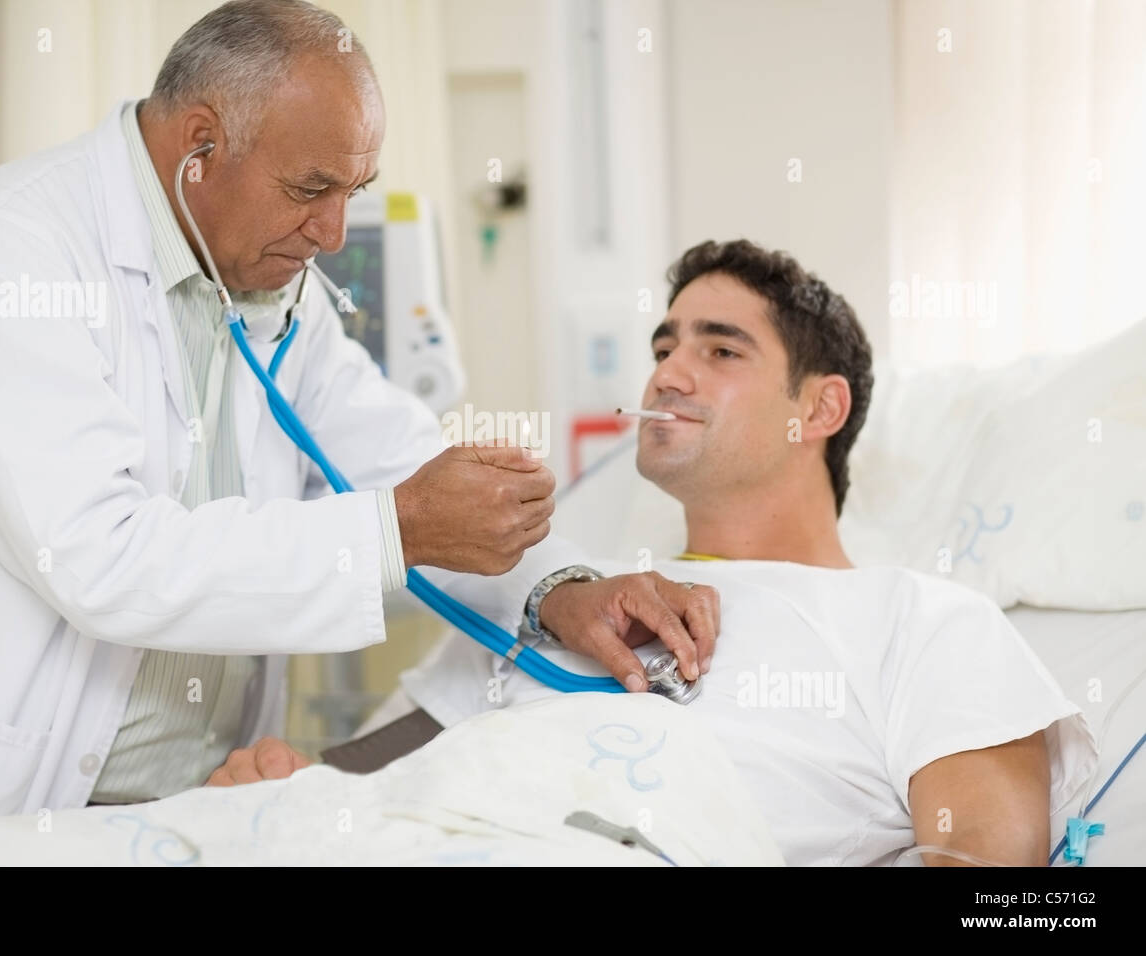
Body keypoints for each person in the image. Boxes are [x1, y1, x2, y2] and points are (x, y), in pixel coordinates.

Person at [0, 0, 718, 831]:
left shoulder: (264, 281)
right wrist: (399, 528)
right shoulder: (2, 251)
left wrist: (558, 588)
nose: (334, 232)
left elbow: (395, 461)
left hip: (194, 801)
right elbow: (98, 557)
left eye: (354, 189)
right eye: (311, 188)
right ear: (200, 147)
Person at [390, 238, 1098, 866]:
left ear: (819, 410)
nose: (667, 375)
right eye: (663, 350)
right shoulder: (563, 597)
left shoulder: (923, 622)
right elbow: (362, 784)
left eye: (720, 351)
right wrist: (285, 772)